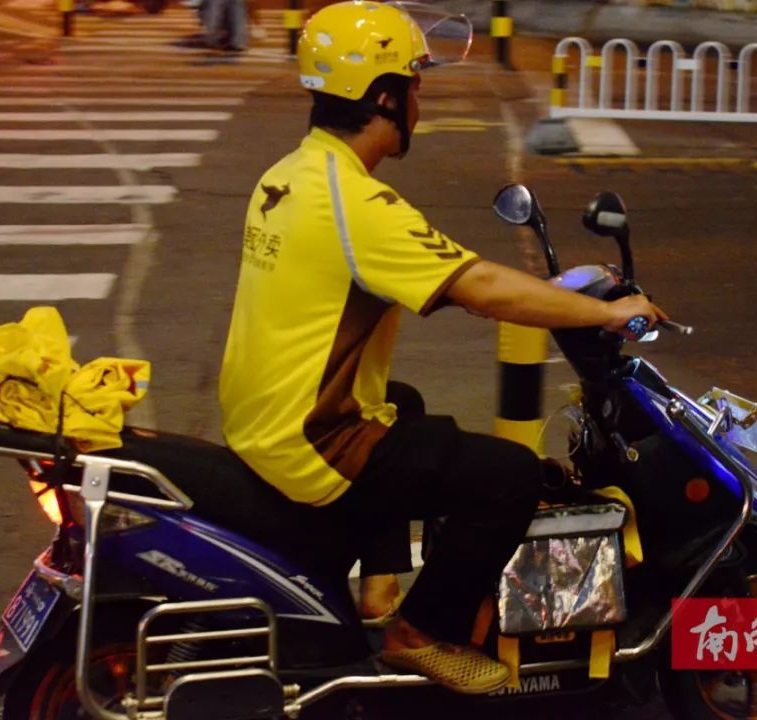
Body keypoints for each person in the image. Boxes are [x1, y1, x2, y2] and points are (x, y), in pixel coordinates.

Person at [218, 0, 663, 695]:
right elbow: (480, 284)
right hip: (311, 439)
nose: (420, 102)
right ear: (386, 96)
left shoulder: (287, 175)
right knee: (507, 475)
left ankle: (377, 591)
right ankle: (418, 634)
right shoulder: (358, 206)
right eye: (415, 86)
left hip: (259, 417)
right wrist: (604, 315)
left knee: (407, 404)